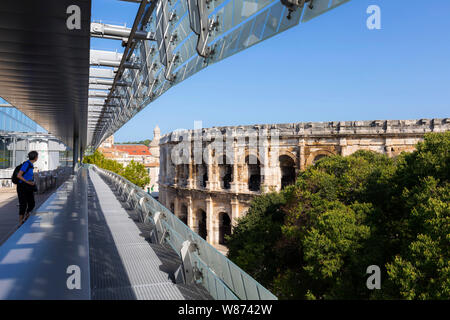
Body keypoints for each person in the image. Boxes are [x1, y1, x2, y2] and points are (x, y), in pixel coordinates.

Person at [16, 151, 38, 225]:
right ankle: (20, 222)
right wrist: (28, 182)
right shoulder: (26, 164)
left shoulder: (31, 165)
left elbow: (28, 176)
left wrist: (32, 182)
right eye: (37, 156)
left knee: (32, 203)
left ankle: (26, 216)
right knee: (23, 204)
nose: (37, 157)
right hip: (22, 187)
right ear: (35, 157)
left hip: (28, 187)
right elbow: (19, 175)